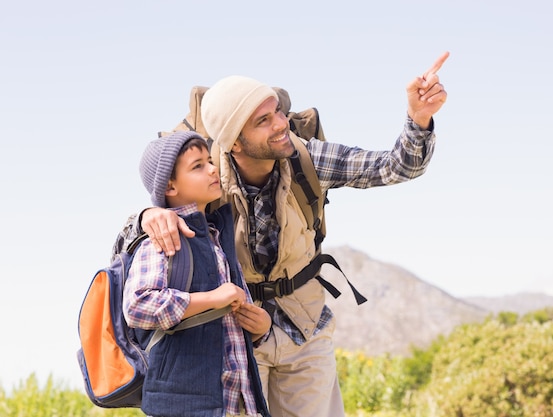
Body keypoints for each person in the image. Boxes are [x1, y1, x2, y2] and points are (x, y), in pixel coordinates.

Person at [120, 52, 449, 417]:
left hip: (304, 328)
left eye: (278, 111)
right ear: (235, 142)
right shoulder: (206, 178)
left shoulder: (307, 158)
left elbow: (395, 167)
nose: (281, 124)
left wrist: (418, 119)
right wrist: (148, 216)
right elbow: (136, 244)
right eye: (264, 120)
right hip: (237, 338)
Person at [123, 130, 272, 417]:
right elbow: (138, 306)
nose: (213, 169)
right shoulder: (164, 237)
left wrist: (260, 329)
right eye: (198, 166)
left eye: (209, 161)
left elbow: (224, 331)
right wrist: (213, 298)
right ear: (169, 186)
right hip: (186, 406)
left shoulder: (217, 238)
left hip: (237, 403)